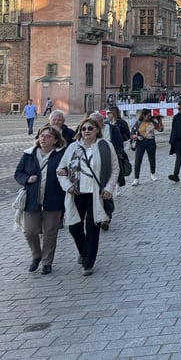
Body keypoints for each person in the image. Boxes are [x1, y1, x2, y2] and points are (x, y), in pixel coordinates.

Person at [56, 116, 118, 276]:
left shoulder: (105, 146)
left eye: (90, 128)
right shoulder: (72, 148)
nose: (86, 132)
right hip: (77, 192)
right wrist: (68, 185)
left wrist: (109, 188)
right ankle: (84, 252)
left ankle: (88, 263)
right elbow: (60, 170)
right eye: (83, 129)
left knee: (93, 227)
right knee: (74, 227)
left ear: (97, 130)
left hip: (95, 193)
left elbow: (115, 169)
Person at [14, 124, 67, 274]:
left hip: (53, 199)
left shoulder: (61, 155)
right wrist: (27, 179)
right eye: (42, 135)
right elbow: (18, 172)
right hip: (32, 199)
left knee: (50, 232)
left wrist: (65, 172)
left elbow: (70, 169)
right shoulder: (29, 154)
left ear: (55, 140)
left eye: (48, 136)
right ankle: (36, 255)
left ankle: (47, 262)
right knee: (29, 231)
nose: (43, 138)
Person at [130, 109, 159, 185]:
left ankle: (153, 174)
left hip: (151, 142)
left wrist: (159, 121)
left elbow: (160, 129)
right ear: (143, 115)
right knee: (138, 160)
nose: (149, 117)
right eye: (148, 115)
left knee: (152, 158)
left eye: (150, 115)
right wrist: (137, 137)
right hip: (141, 143)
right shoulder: (138, 123)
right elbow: (132, 134)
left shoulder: (152, 122)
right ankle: (136, 178)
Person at [107, 107, 132, 191]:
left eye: (109, 113)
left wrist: (119, 137)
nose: (107, 115)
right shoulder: (107, 123)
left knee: (118, 166)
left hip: (118, 148)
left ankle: (119, 183)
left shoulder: (122, 123)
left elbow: (127, 135)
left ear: (113, 113)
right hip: (108, 148)